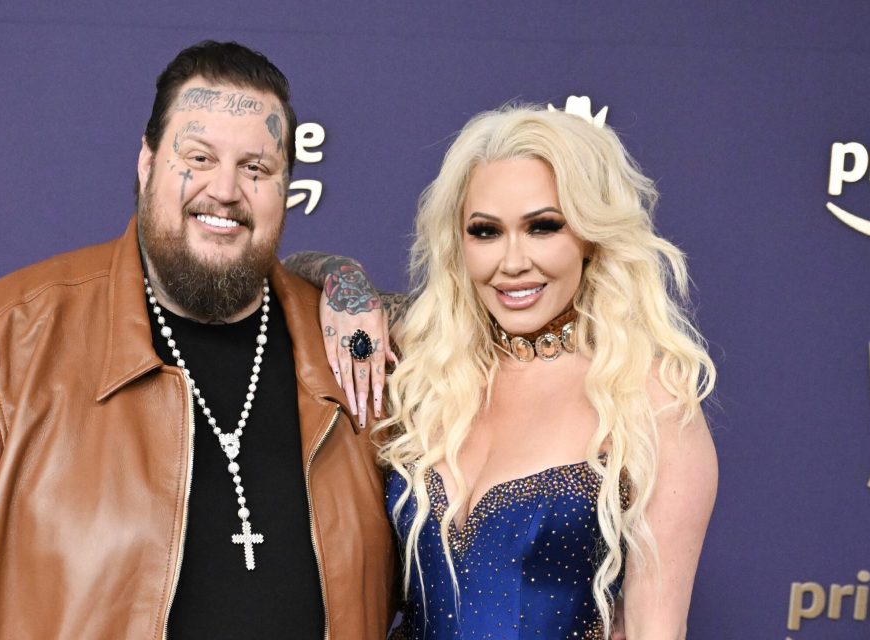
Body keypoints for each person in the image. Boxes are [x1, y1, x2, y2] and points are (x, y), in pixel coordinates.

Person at [0, 41, 395, 640]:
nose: (226, 190)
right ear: (147, 163)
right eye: (198, 158)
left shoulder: (354, 360)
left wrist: (343, 275)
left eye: (257, 169)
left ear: (287, 188)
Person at [291, 103, 717, 638]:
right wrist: (345, 281)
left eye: (542, 227)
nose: (512, 262)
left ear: (589, 236)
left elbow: (657, 628)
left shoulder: (650, 399)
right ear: (459, 243)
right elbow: (291, 274)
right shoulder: (427, 361)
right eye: (486, 232)